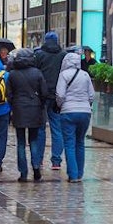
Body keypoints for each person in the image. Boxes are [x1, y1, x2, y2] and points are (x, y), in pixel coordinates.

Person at [6, 47, 49, 182]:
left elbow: (9, 94)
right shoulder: (37, 73)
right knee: (34, 140)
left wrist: (14, 104)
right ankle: (36, 169)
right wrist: (40, 104)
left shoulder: (12, 74)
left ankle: (23, 173)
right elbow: (44, 93)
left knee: (20, 142)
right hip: (34, 108)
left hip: (19, 109)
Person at [55, 51, 95, 183]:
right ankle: (79, 173)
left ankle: (72, 175)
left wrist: (61, 106)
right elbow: (91, 95)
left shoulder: (64, 75)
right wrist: (85, 105)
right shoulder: (85, 75)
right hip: (85, 112)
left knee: (69, 144)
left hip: (68, 112)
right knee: (80, 142)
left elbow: (60, 95)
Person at [33, 31, 67, 171]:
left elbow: (35, 73)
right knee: (57, 129)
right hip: (57, 96)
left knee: (41, 128)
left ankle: (39, 159)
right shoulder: (63, 55)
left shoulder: (39, 55)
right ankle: (56, 161)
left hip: (42, 96)